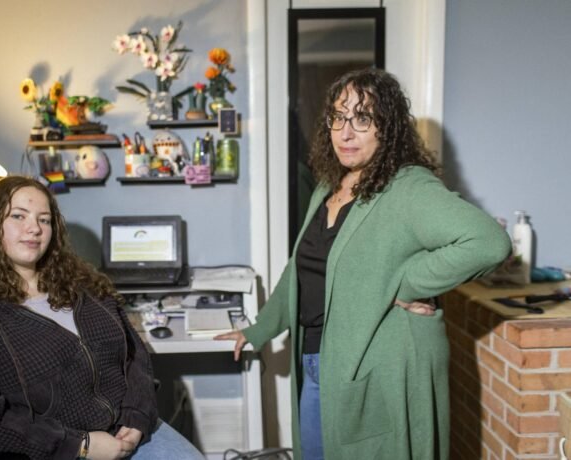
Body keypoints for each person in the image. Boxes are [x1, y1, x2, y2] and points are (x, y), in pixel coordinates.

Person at [216, 68, 511, 460]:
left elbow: (488, 242)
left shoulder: (408, 187)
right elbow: (301, 270)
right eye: (338, 118)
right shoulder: (329, 186)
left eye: (362, 119)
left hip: (377, 363)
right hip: (318, 359)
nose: (346, 132)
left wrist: (405, 283)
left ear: (388, 127)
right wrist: (259, 329)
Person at [0, 175, 203, 460]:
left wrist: (137, 417)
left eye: (44, 219)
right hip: (48, 450)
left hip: (123, 430)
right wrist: (81, 445)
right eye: (18, 216)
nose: (34, 228)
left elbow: (134, 357)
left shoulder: (84, 285)